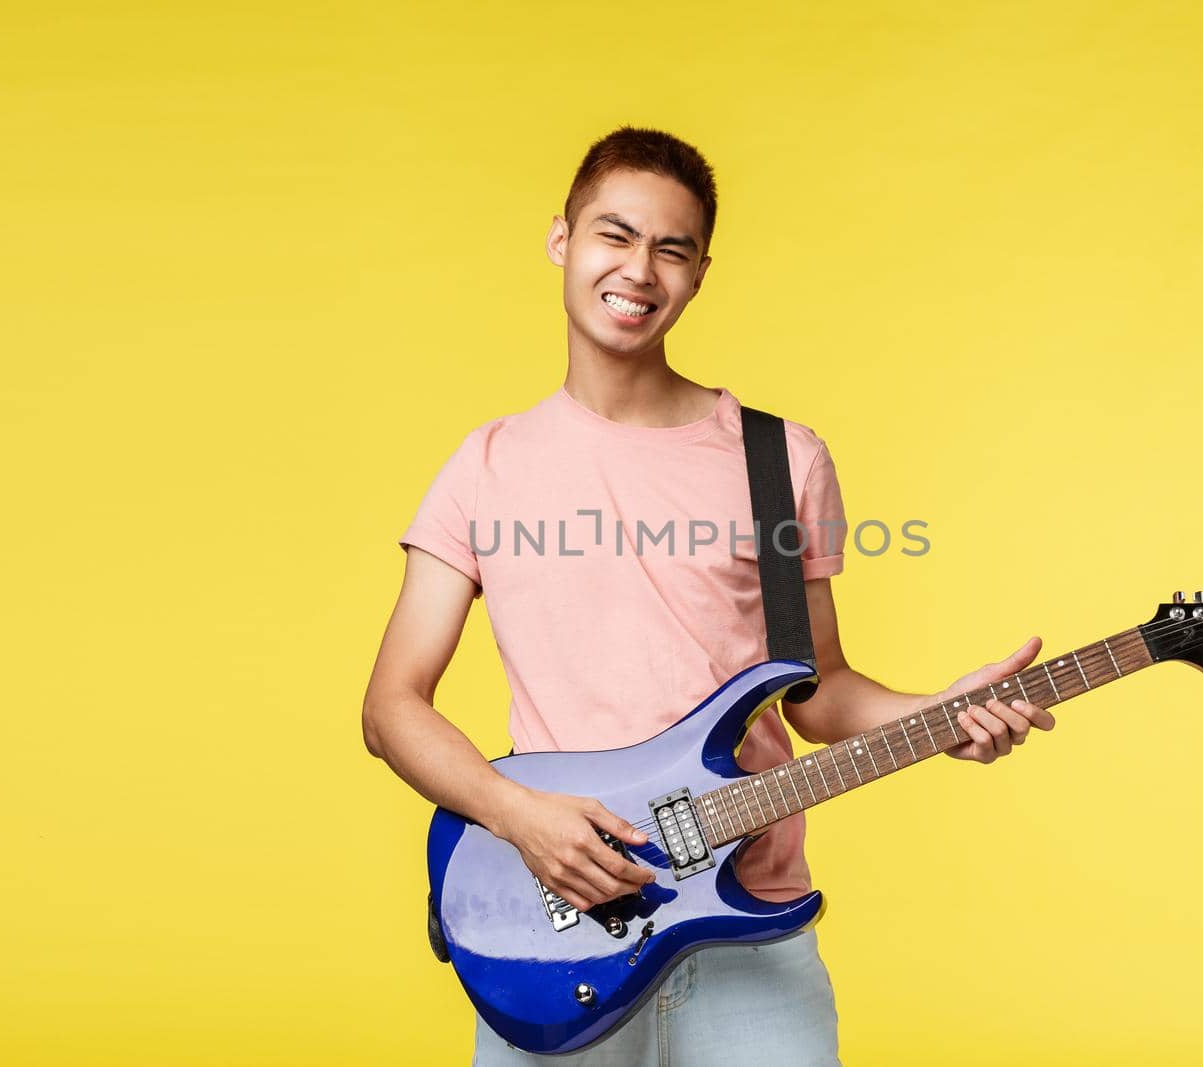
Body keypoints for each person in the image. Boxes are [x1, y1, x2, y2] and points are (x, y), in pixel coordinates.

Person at [361, 126, 1056, 1066]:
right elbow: (392, 706)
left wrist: (938, 714)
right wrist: (516, 813)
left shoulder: (778, 461)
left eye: (672, 249)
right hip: (560, 926)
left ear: (698, 274)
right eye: (615, 234)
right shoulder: (485, 467)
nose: (639, 269)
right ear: (562, 240)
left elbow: (817, 692)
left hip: (751, 934)